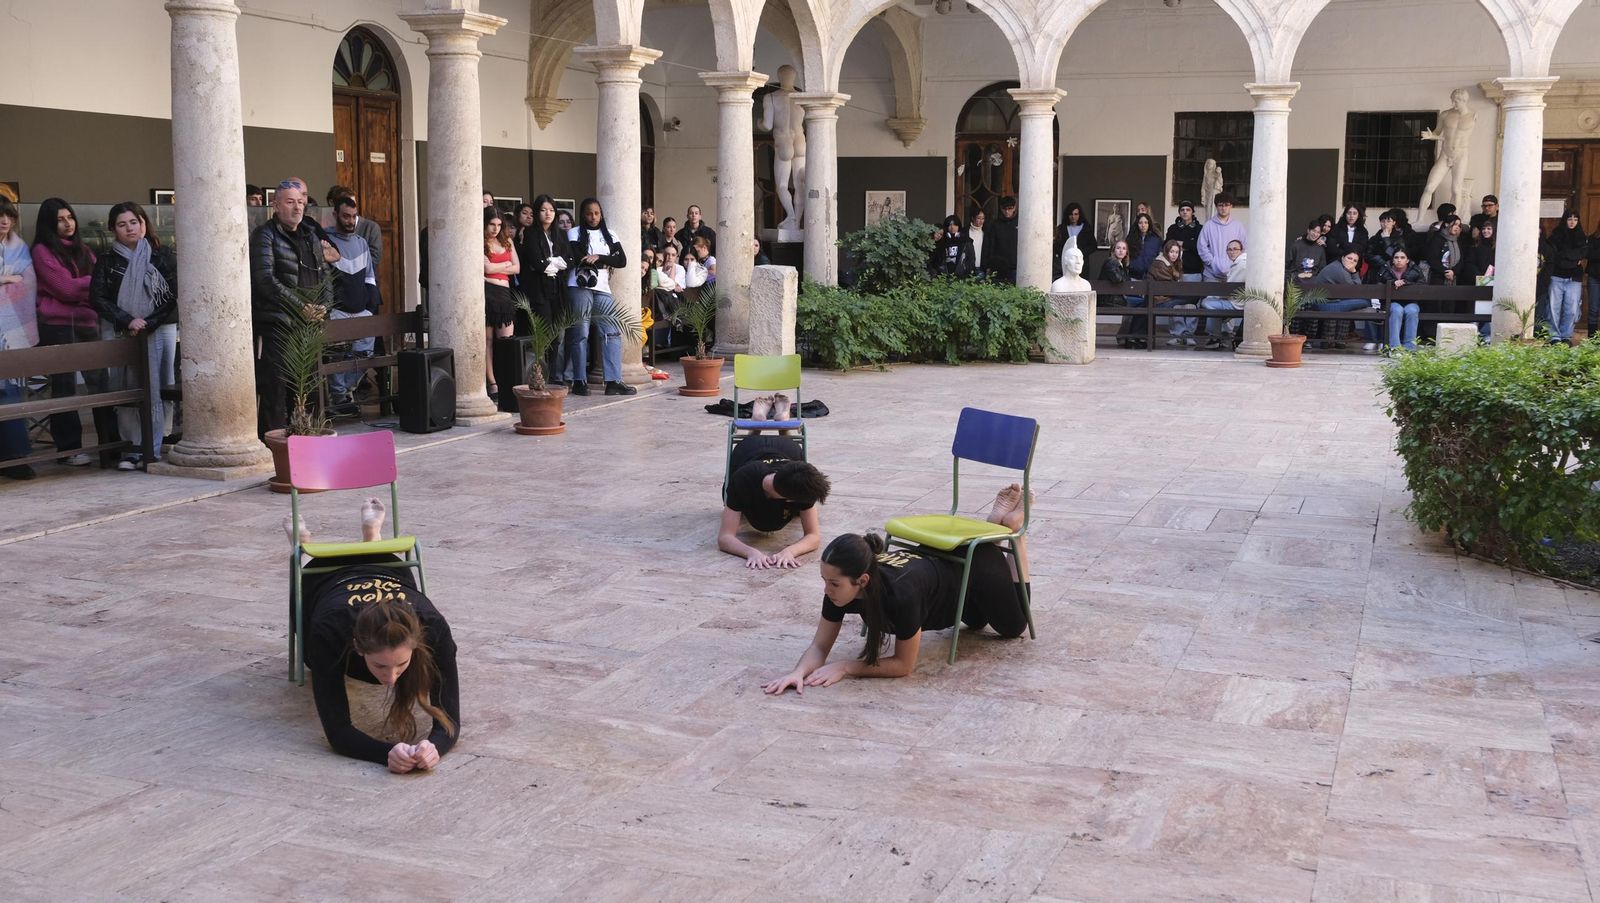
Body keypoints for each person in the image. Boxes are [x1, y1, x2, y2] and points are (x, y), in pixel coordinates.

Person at [760, 486, 1031, 694]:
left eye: (833, 583)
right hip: (950, 576)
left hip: (976, 569)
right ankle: (992, 529)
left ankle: (1013, 533)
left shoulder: (901, 594)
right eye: (824, 580)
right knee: (975, 622)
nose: (827, 589)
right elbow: (819, 646)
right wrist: (797, 673)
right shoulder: (840, 590)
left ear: (862, 580)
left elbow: (904, 665)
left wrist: (846, 667)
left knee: (1013, 627)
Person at [290, 499, 459, 772]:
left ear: (417, 645)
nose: (391, 679)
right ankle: (304, 548)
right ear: (357, 647)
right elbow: (338, 731)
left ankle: (373, 539)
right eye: (381, 665)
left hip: (388, 567)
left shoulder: (434, 627)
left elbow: (451, 720)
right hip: (324, 577)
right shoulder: (329, 632)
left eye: (401, 664)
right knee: (314, 662)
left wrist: (434, 747)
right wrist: (387, 753)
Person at [89, 202, 179, 469]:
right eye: (122, 224)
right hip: (123, 331)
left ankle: (156, 443)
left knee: (161, 385)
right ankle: (134, 448)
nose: (129, 228)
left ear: (143, 224)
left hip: (160, 329)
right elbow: (98, 298)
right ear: (113, 229)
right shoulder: (106, 260)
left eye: (134, 222)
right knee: (127, 387)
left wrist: (148, 322)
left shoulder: (162, 255)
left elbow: (172, 296)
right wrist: (129, 320)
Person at [251, 179, 331, 435]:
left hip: (309, 325)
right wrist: (300, 307)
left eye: (300, 201)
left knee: (307, 388)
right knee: (275, 388)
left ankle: (307, 442)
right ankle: (274, 446)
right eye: (290, 202)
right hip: (277, 324)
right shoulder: (265, 235)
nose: (297, 207)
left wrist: (324, 306)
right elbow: (265, 279)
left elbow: (326, 275)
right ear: (276, 205)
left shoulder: (310, 234)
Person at [32, 197, 108, 466]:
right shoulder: (42, 251)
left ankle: (109, 446)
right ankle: (69, 449)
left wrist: (82, 288)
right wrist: (86, 286)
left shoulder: (84, 250)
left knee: (101, 385)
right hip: (58, 327)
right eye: (60, 220)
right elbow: (63, 288)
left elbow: (102, 285)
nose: (67, 224)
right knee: (64, 387)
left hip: (88, 324)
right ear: (49, 224)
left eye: (70, 217)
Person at [719, 435, 831, 569]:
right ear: (790, 500)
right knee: (736, 506)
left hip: (787, 446)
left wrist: (790, 551)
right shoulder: (743, 481)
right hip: (748, 447)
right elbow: (725, 537)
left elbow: (813, 536)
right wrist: (750, 552)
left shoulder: (802, 477)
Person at [565, 197, 633, 397]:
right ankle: (579, 380)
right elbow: (579, 258)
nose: (593, 217)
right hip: (579, 285)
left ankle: (613, 381)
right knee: (581, 333)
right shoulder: (574, 232)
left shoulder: (609, 234)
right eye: (588, 213)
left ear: (601, 214)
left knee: (611, 332)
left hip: (602, 286)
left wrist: (600, 258)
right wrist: (603, 260)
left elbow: (621, 260)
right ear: (583, 215)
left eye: (596, 213)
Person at [325, 196, 381, 413]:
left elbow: (369, 277)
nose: (349, 221)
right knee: (337, 356)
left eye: (353, 217)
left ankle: (345, 392)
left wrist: (369, 305)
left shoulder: (361, 242)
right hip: (336, 310)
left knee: (364, 355)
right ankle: (339, 398)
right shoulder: (325, 241)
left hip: (361, 310)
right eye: (345, 216)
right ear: (336, 215)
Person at [0, 198, 38, 479]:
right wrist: (5, 279)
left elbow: (28, 282)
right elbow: (15, 279)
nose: (4, 221)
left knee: (10, 393)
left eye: (8, 216)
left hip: (11, 330)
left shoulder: (19, 248)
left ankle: (14, 458)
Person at [482, 208, 519, 400]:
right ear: (485, 223)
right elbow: (485, 268)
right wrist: (505, 266)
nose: (495, 228)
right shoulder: (480, 242)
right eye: (491, 224)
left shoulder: (507, 241)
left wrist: (497, 267)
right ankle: (492, 382)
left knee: (506, 342)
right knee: (487, 341)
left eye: (498, 225)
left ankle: (506, 381)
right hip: (488, 293)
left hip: (504, 294)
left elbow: (517, 267)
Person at [1309, 249, 1380, 348]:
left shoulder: (1341, 268)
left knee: (1367, 307)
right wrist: (1354, 272)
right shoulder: (1338, 269)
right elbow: (1355, 289)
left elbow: (1356, 288)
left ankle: (1338, 341)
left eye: (1355, 261)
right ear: (1342, 258)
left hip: (1333, 302)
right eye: (1349, 258)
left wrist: (1353, 272)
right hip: (1324, 305)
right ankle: (1374, 341)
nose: (1351, 262)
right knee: (1366, 302)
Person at [1196, 239, 1247, 349]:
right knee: (1212, 303)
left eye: (1235, 249)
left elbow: (1228, 289)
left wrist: (1217, 296)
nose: (1232, 252)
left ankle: (1214, 337)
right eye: (1229, 249)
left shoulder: (1241, 265)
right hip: (1236, 300)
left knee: (1206, 302)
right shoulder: (1239, 263)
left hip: (1237, 304)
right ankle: (1218, 335)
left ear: (1241, 251)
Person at [1377, 249, 1427, 351]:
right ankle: (1395, 347)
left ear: (1407, 260)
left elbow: (1422, 286)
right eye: (1396, 257)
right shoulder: (1385, 270)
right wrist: (1391, 283)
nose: (1399, 260)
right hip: (1392, 302)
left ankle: (1410, 347)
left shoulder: (1415, 270)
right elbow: (1378, 285)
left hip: (1411, 302)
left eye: (1402, 257)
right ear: (1392, 260)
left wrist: (1406, 282)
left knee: (1412, 311)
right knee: (1397, 310)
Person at [1548, 211, 1587, 343]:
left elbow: (1582, 252)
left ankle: (1566, 335)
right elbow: (1554, 255)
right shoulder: (1556, 235)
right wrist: (1572, 258)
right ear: (1565, 220)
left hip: (1574, 278)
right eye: (1569, 219)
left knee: (1571, 309)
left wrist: (1566, 255)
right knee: (1554, 308)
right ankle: (1554, 336)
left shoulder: (1581, 237)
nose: (1572, 222)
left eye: (1575, 219)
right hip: (1556, 276)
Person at [324, 185, 383, 268]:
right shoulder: (327, 227)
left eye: (353, 203)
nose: (351, 206)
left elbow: (374, 259)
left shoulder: (371, 228)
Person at [1054, 203, 1096, 280]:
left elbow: (1093, 246)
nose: (1073, 217)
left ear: (1079, 215)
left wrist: (1081, 252)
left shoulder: (1086, 228)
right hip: (1065, 263)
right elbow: (1056, 245)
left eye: (1076, 214)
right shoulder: (1061, 228)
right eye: (1071, 214)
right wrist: (1064, 253)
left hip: (1081, 264)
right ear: (1067, 215)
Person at [1166, 201, 1205, 284]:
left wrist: (1182, 244)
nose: (1185, 212)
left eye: (1188, 210)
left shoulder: (1199, 229)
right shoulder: (1172, 228)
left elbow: (1199, 247)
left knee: (1192, 296)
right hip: (1174, 270)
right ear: (1179, 212)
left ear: (1192, 212)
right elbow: (1167, 245)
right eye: (1182, 210)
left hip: (1193, 272)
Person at [1425, 214, 1467, 285]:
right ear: (1447, 224)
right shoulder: (1437, 239)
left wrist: (1453, 271)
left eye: (1459, 225)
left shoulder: (1457, 241)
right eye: (1455, 224)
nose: (1457, 227)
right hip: (1438, 278)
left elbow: (1461, 260)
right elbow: (1432, 259)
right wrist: (1445, 272)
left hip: (1454, 278)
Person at [985, 197, 1019, 284]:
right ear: (1001, 208)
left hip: (1016, 266)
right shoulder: (995, 224)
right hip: (999, 266)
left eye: (1010, 208)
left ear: (1014, 208)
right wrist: (989, 265)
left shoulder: (1020, 223)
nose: (1007, 211)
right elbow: (991, 245)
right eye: (1004, 209)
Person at [1286, 219, 1327, 286]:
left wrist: (1313, 275)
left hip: (1313, 282)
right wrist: (1295, 276)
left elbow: (1322, 269)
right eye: (1313, 231)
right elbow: (1287, 266)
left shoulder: (1320, 249)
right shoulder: (1296, 245)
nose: (1315, 234)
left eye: (1318, 232)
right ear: (1308, 230)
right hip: (1296, 280)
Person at [1586, 220, 1600, 338]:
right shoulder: (1592, 238)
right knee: (1593, 309)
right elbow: (1589, 255)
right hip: (1594, 277)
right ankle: (1592, 339)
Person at [967, 210, 986, 277]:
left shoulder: (985, 233)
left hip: (981, 267)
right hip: (968, 267)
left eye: (983, 218)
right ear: (973, 218)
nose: (981, 221)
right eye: (978, 218)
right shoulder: (966, 232)